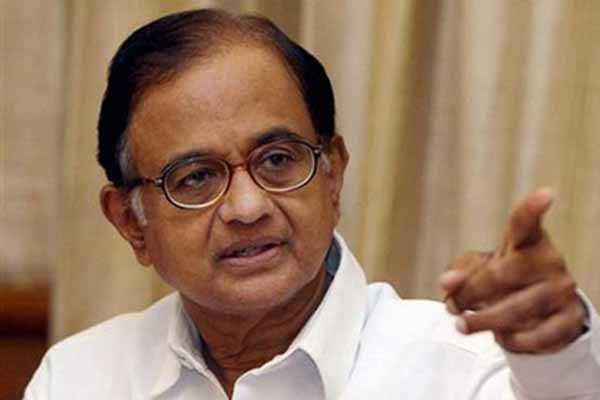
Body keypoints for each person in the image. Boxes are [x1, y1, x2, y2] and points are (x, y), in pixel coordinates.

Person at [25, 8, 599, 399]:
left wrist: (555, 352)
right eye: (195, 177)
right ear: (131, 222)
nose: (247, 207)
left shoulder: (468, 370)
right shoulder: (77, 378)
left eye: (278, 159)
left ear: (333, 175)